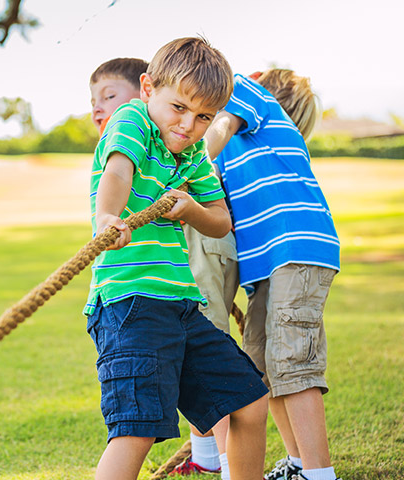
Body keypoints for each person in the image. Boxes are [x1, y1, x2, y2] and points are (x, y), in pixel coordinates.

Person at [85, 37, 269, 480]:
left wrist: (191, 209)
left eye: (204, 116)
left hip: (181, 307)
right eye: (179, 107)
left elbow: (221, 220)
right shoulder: (131, 119)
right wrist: (108, 216)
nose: (189, 124)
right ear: (148, 89)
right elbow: (117, 169)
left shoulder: (192, 157)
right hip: (130, 303)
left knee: (249, 402)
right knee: (136, 428)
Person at [205, 69, 341, 480]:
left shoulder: (249, 93)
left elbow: (222, 122)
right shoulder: (244, 146)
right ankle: (298, 464)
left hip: (294, 250)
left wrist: (186, 158)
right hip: (265, 265)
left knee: (293, 362)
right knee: (261, 368)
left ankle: (319, 474)